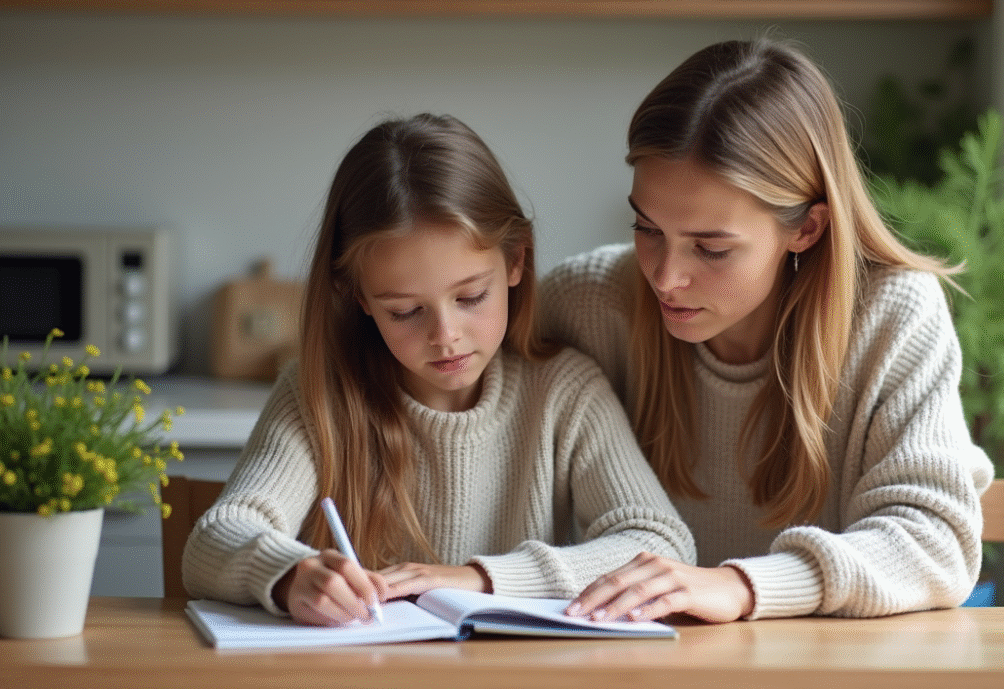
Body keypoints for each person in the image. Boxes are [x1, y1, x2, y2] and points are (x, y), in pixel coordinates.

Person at [541, 39, 994, 623]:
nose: (666, 277)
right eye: (647, 228)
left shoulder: (893, 314)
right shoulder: (587, 303)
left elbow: (935, 542)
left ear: (806, 227)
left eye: (711, 248)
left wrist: (740, 586)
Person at [183, 114, 695, 626]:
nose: (445, 335)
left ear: (517, 260)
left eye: (471, 297)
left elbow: (662, 546)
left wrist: (477, 578)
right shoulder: (318, 394)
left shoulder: (564, 390)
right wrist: (290, 572)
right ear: (358, 296)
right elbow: (215, 539)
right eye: (405, 311)